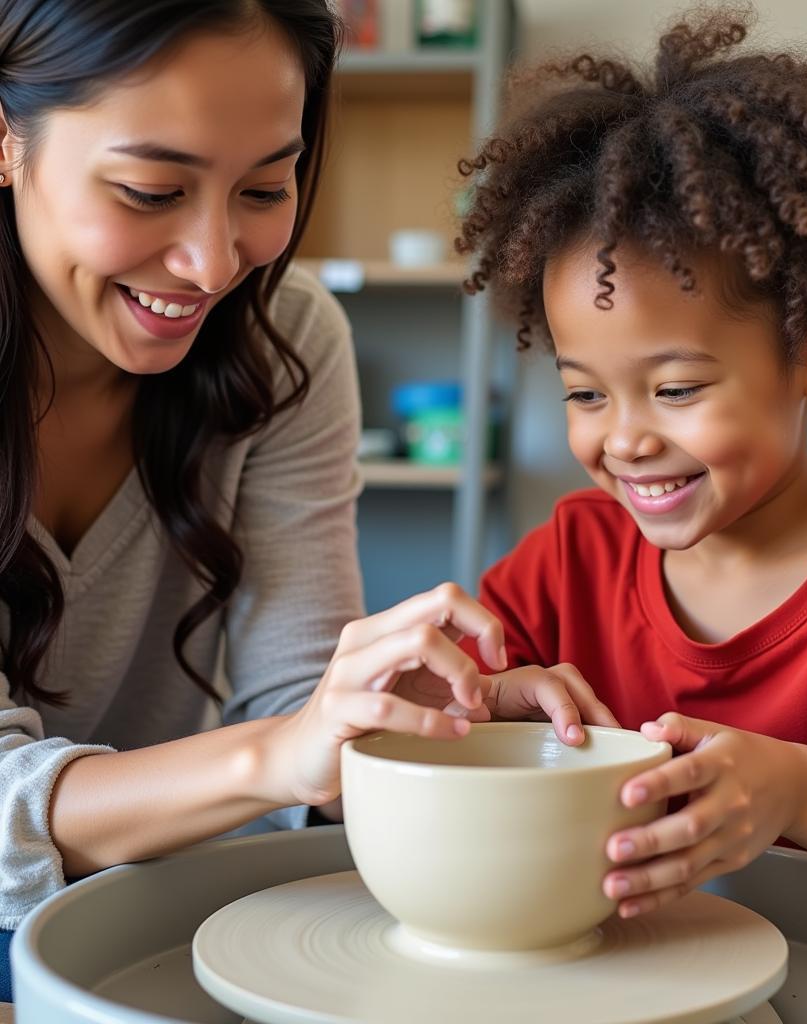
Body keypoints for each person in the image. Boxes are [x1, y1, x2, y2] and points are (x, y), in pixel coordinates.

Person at [0, 0, 614, 1002]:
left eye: (264, 186)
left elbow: (292, 706)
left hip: (140, 903)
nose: (211, 261)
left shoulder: (285, 343)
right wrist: (280, 754)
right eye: (151, 189)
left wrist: (397, 723)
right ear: (6, 138)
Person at [453, 6, 807, 1013]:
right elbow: (451, 717)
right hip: (650, 980)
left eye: (674, 389)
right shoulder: (568, 559)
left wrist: (801, 794)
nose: (621, 439)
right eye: (586, 392)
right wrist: (485, 697)